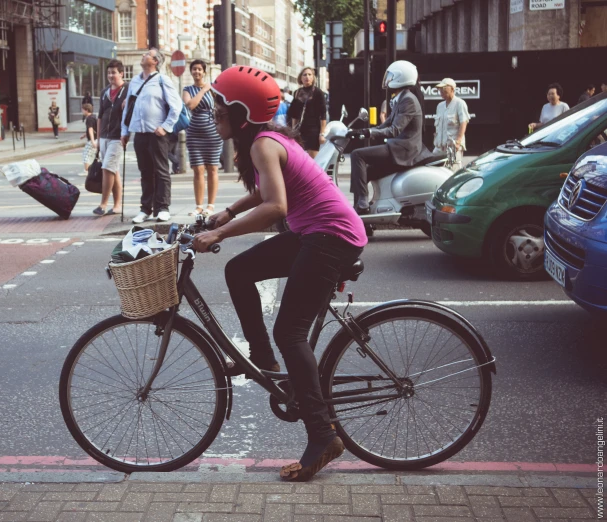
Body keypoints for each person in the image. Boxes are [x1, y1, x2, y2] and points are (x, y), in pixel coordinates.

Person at [191, 66, 368, 482]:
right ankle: (263, 362)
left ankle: (323, 436)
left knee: (290, 331)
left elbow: (276, 207)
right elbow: (268, 191)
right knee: (239, 270)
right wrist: (229, 211)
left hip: (331, 238)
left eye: (221, 107)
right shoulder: (265, 142)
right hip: (315, 233)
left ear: (242, 113)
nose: (215, 113)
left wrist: (219, 231)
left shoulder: (263, 145)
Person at [349, 60, 432, 213]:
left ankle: (362, 203)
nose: (388, 79)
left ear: (402, 77)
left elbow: (394, 130)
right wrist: (362, 131)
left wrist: (370, 133)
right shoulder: (400, 97)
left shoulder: (408, 100)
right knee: (364, 172)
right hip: (398, 146)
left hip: (403, 149)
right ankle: (360, 213)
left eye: (391, 76)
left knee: (357, 155)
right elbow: (385, 124)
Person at [120, 47, 182, 224]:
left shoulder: (163, 80)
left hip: (157, 134)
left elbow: (176, 105)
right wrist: (125, 132)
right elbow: (128, 109)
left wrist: (165, 126)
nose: (143, 55)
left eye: (147, 54)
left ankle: (163, 208)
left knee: (161, 170)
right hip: (139, 133)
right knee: (145, 172)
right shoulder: (134, 81)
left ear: (155, 61)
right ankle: (145, 208)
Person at [182, 59, 222, 216]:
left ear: (204, 72)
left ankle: (210, 205)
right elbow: (190, 105)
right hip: (194, 134)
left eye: (199, 69)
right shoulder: (188, 89)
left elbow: (220, 107)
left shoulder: (214, 89)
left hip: (212, 133)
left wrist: (208, 89)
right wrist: (203, 90)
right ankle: (199, 206)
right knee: (198, 170)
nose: (197, 72)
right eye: (194, 69)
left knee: (212, 169)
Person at [93, 59, 127, 216]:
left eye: (114, 72)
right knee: (114, 170)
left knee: (107, 168)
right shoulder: (104, 92)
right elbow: (100, 116)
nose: (111, 75)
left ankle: (103, 204)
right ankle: (118, 204)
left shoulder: (127, 90)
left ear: (121, 73)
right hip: (105, 137)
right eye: (108, 73)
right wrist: (98, 139)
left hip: (118, 137)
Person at [288, 67, 327, 158]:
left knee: (313, 159)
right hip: (300, 130)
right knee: (299, 158)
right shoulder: (297, 92)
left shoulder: (318, 92)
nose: (307, 77)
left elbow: (323, 114)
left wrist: (322, 134)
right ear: (300, 78)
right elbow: (294, 114)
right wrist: (294, 130)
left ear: (313, 77)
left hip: (313, 130)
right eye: (304, 74)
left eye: (310, 74)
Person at [432, 78, 470, 171]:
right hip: (439, 147)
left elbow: (463, 122)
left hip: (452, 148)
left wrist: (458, 142)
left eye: (444, 89)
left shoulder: (460, 103)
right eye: (440, 89)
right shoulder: (440, 106)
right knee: (433, 170)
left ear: (452, 89)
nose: (441, 91)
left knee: (453, 173)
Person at [80, 103, 97, 174]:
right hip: (96, 139)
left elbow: (90, 129)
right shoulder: (93, 117)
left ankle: (86, 171)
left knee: (86, 155)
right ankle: (91, 170)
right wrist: (84, 135)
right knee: (92, 156)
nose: (82, 112)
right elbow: (93, 129)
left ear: (86, 110)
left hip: (92, 140)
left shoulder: (89, 119)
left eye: (83, 110)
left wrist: (92, 141)